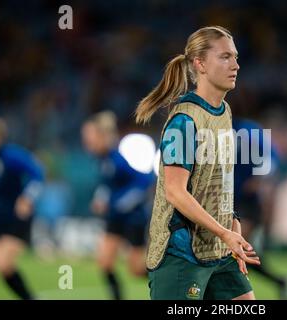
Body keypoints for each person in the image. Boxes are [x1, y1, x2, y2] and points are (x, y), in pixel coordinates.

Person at [135, 26, 260, 300]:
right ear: (200, 64)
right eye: (225, 57)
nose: (236, 65)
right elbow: (175, 192)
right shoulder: (184, 122)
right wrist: (225, 233)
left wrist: (233, 226)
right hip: (181, 253)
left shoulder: (224, 112)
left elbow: (220, 182)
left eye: (236, 57)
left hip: (219, 251)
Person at [81, 111, 155, 300]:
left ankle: (173, 285)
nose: (86, 141)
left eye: (90, 136)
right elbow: (109, 185)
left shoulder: (118, 159)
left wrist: (115, 203)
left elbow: (144, 182)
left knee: (137, 270)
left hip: (133, 219)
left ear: (103, 136)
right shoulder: (102, 159)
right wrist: (101, 199)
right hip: (115, 219)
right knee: (105, 263)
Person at [233, 117, 287, 299]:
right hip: (229, 202)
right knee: (240, 253)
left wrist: (259, 180)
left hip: (248, 203)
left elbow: (272, 160)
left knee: (236, 250)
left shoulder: (249, 131)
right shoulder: (214, 127)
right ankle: (279, 281)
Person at [0, 114, 44, 300]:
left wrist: (27, 197)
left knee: (4, 264)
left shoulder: (11, 155)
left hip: (17, 218)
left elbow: (37, 173)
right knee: (3, 269)